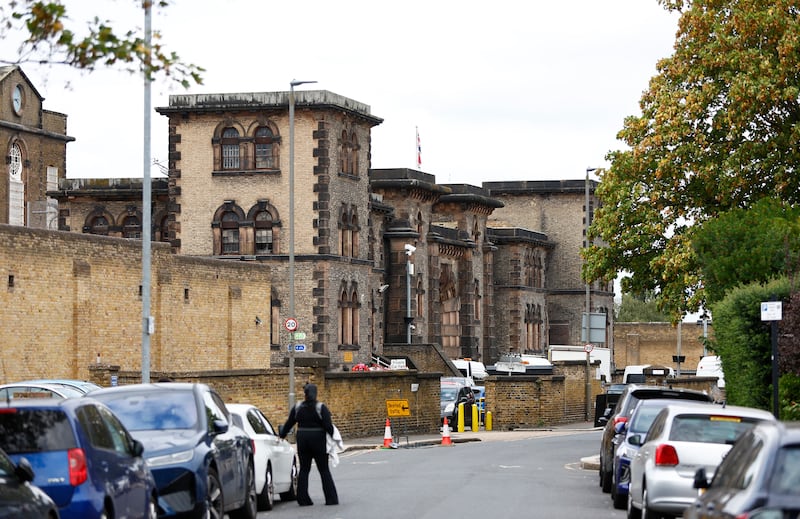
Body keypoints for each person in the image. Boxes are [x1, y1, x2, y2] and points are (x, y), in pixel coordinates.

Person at [280, 383, 339, 506]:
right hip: (318, 440)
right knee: (323, 470)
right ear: (315, 394)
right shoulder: (321, 408)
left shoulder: (298, 407)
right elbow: (328, 426)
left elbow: (289, 423)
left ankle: (303, 499)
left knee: (304, 469)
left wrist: (282, 435)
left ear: (305, 394)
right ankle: (331, 499)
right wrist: (332, 436)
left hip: (303, 440)